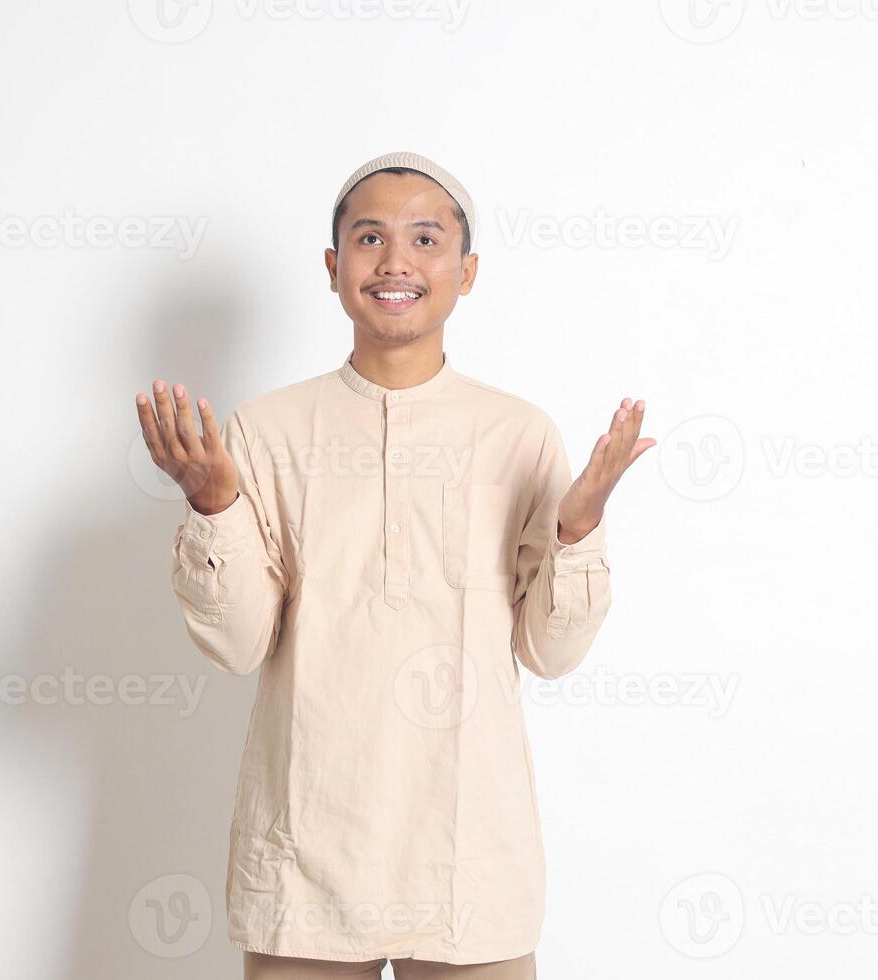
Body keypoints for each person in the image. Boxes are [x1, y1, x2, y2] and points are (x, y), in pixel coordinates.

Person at [134, 151, 653, 979]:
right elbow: (236, 645)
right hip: (305, 857)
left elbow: (550, 653)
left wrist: (578, 528)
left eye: (425, 238)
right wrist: (214, 506)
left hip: (468, 859)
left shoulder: (518, 434)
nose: (397, 261)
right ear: (334, 268)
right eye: (370, 238)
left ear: (467, 271)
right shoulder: (266, 431)